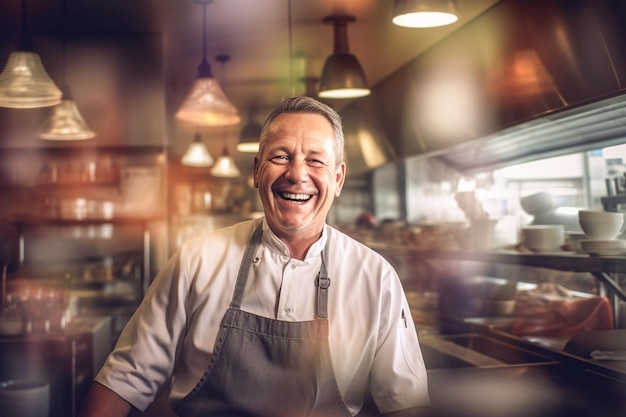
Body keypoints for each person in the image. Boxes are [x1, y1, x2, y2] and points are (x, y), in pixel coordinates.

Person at [78, 96, 430, 417]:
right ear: (256, 170)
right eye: (281, 156)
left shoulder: (375, 278)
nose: (296, 174)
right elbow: (124, 379)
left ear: (337, 179)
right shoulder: (197, 261)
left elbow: (405, 403)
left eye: (315, 160)